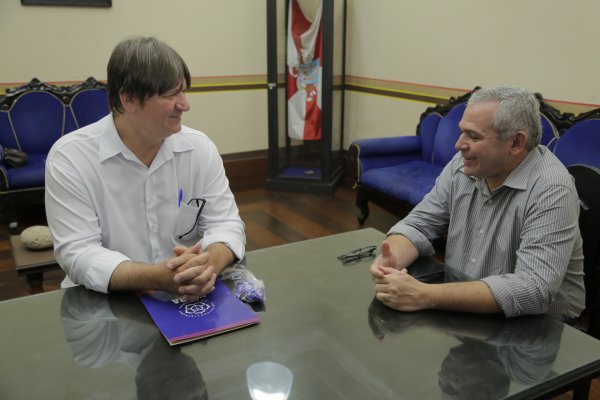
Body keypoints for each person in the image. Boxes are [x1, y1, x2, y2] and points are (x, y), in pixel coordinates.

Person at [45, 36, 245, 301]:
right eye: (171, 93)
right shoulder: (71, 158)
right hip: (107, 303)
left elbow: (226, 223)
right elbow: (79, 253)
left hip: (189, 295)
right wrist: (154, 277)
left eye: (184, 91)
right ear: (128, 98)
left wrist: (208, 264)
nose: (185, 104)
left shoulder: (199, 148)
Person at [370, 86, 585, 322]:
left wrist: (424, 294)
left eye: (473, 136)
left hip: (539, 331)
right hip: (470, 308)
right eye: (461, 132)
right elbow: (419, 224)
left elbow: (533, 289)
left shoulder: (552, 189)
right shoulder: (462, 164)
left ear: (516, 142)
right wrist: (389, 262)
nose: (459, 145)